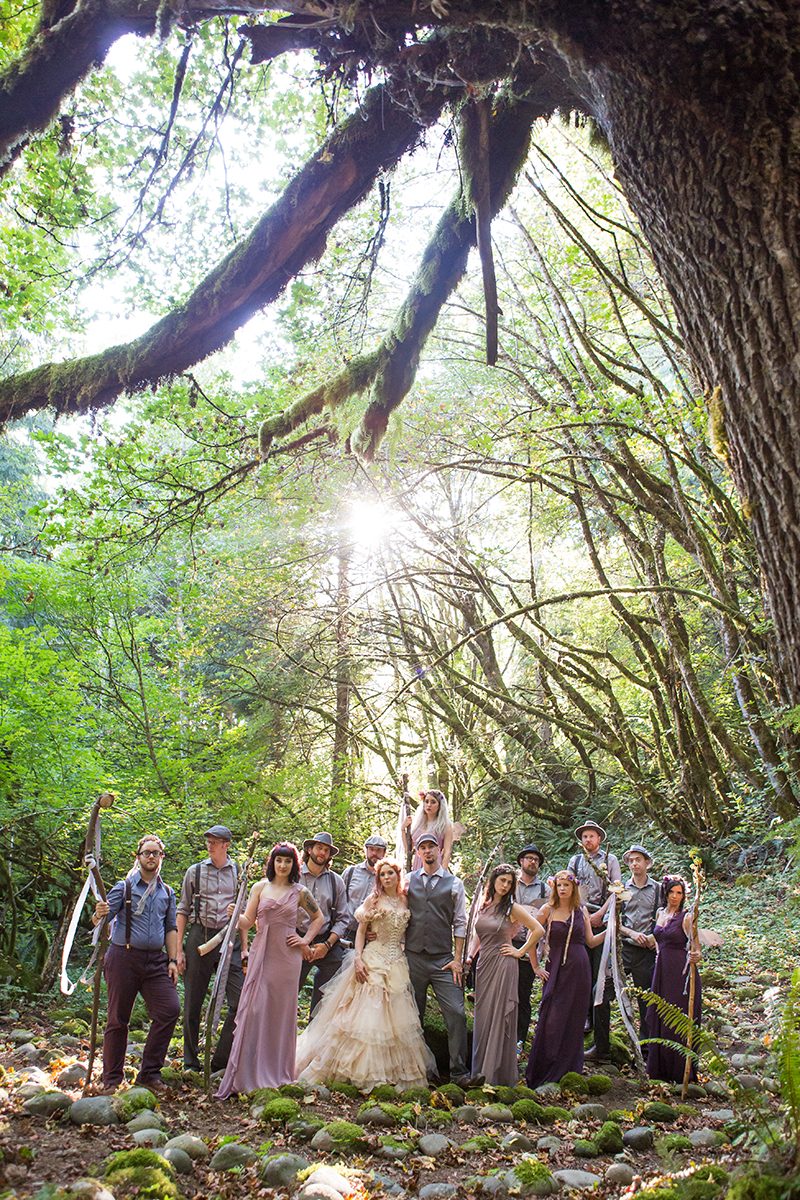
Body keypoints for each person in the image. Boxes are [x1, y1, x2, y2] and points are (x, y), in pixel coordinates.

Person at [295, 859, 436, 1090]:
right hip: (373, 958)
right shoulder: (373, 900)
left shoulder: (405, 899)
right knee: (365, 1017)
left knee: (396, 1022)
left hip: (397, 961)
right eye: (382, 875)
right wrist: (358, 958)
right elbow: (361, 931)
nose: (386, 878)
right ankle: (358, 1072)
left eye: (390, 873)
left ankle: (392, 1074)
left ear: (397, 876)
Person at [216, 842, 323, 1098]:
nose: (283, 865)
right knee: (254, 1009)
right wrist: (235, 914)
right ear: (272, 863)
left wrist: (305, 940)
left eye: (287, 861)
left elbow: (318, 918)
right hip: (261, 953)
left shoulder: (299, 892)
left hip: (287, 958)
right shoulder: (259, 888)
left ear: (293, 865)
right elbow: (247, 921)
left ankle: (277, 1071)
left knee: (280, 1012)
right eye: (279, 861)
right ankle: (249, 1070)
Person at [92, 834, 180, 1093]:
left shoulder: (167, 892)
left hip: (156, 962)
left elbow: (171, 928)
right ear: (138, 857)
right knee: (118, 1018)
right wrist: (99, 913)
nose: (151, 857)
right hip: (124, 958)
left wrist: (173, 960)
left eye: (156, 853)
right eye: (146, 853)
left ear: (161, 857)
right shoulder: (125, 886)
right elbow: (101, 919)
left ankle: (149, 1074)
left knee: (169, 1010)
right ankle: (111, 1078)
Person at [405, 832, 479, 1087]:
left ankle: (459, 1072)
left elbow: (460, 922)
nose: (427, 852)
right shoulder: (407, 881)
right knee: (414, 1015)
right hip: (413, 957)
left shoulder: (454, 884)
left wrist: (458, 959)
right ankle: (419, 1070)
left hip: (443, 960)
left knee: (457, 1013)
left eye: (431, 847)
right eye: (422, 848)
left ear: (439, 850)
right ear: (417, 853)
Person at [525, 869, 606, 1087]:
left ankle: (569, 1069)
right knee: (552, 1017)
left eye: (566, 885)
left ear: (573, 888)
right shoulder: (547, 910)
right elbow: (531, 937)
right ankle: (545, 1067)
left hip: (579, 969)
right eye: (559, 885)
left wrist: (611, 931)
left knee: (574, 1018)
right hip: (555, 969)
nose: (562, 889)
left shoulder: (581, 910)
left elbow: (590, 941)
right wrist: (535, 967)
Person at [466, 864, 545, 1086]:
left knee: (500, 1015)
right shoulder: (484, 905)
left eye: (509, 882)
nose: (505, 885)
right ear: (493, 881)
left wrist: (519, 951)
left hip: (503, 963)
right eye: (502, 881)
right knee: (483, 1016)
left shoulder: (512, 908)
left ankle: (495, 1074)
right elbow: (477, 935)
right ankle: (479, 1071)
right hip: (484, 965)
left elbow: (539, 929)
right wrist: (470, 957)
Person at [175, 824, 243, 1074]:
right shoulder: (195, 872)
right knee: (193, 1001)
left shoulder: (238, 872)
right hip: (199, 936)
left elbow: (243, 913)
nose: (210, 844)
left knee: (240, 1001)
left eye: (215, 841)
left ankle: (219, 1063)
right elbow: (182, 910)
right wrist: (179, 950)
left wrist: (245, 949)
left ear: (226, 845)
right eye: (208, 841)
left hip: (229, 940)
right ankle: (191, 1062)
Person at [568, 819, 621, 1055]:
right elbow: (567, 887)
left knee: (600, 977)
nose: (588, 840)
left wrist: (600, 914)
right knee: (582, 972)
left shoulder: (610, 860)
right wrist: (582, 913)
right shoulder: (575, 861)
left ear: (599, 839)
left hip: (602, 919)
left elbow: (617, 890)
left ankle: (602, 1042)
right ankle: (584, 1019)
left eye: (592, 836)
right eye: (585, 836)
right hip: (580, 917)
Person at [645, 875, 702, 1083]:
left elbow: (696, 947)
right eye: (672, 892)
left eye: (679, 893)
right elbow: (657, 940)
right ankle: (659, 1068)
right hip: (661, 968)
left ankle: (679, 1070)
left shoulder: (687, 917)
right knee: (659, 1014)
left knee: (676, 1016)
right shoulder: (660, 913)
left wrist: (696, 955)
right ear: (666, 893)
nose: (675, 897)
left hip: (680, 972)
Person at [298, 831, 349, 1012]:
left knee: (332, 984)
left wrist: (327, 945)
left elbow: (343, 919)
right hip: (297, 940)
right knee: (288, 990)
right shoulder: (294, 876)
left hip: (325, 941)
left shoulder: (337, 881)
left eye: (326, 850)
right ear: (309, 849)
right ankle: (283, 1033)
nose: (322, 853)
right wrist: (302, 943)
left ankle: (315, 1032)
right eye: (319, 848)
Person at [619, 844, 659, 1036]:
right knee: (605, 990)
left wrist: (654, 936)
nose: (634, 864)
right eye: (631, 861)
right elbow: (612, 921)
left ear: (647, 863)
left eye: (638, 860)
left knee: (646, 999)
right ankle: (604, 1042)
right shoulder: (622, 889)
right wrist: (631, 933)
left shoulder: (658, 889)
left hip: (647, 952)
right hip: (625, 949)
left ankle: (646, 1045)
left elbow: (667, 917)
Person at [514, 843, 547, 1048]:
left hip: (530, 947)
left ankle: (519, 1039)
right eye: (529, 858)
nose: (532, 862)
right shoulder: (510, 883)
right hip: (506, 943)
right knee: (503, 992)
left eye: (536, 859)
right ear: (521, 861)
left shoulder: (545, 889)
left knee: (523, 994)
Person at [341, 835, 388, 944]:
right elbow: (338, 901)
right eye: (371, 849)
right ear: (365, 850)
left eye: (378, 850)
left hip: (371, 937)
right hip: (346, 932)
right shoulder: (351, 872)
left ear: (384, 853)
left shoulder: (387, 878)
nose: (374, 853)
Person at [406, 790, 454, 870]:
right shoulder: (417, 824)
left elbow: (447, 851)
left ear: (439, 805)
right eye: (426, 801)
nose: (429, 805)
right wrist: (402, 830)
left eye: (433, 802)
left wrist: (443, 872)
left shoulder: (446, 825)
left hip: (435, 865)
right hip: (418, 865)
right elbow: (408, 849)